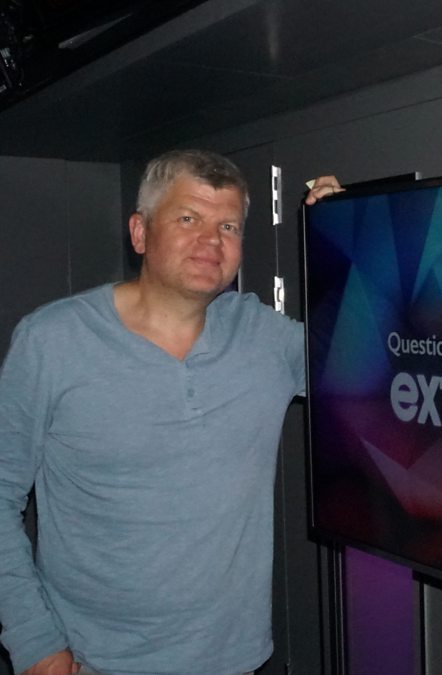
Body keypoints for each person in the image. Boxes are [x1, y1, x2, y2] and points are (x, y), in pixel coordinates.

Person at [0, 150, 306, 675]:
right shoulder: (52, 341)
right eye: (188, 218)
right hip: (90, 662)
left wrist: (348, 229)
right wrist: (36, 645)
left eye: (228, 226)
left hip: (232, 663)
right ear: (140, 233)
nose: (211, 241)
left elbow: (389, 356)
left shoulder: (267, 340)